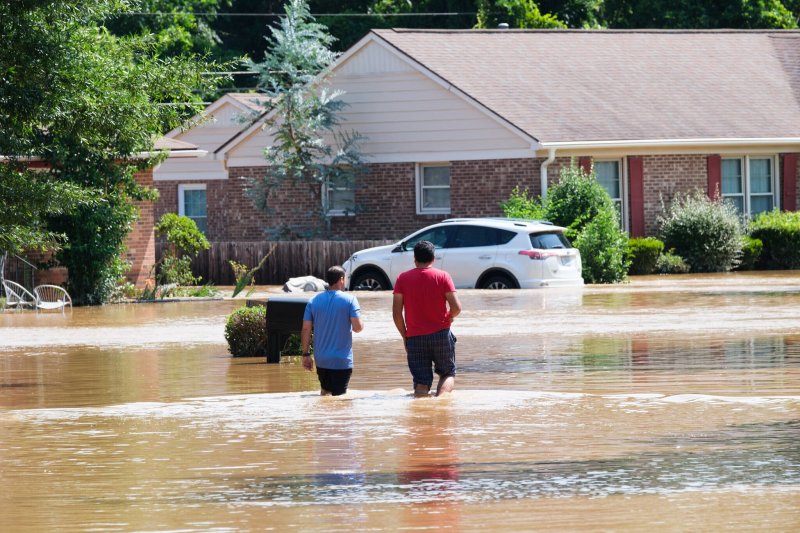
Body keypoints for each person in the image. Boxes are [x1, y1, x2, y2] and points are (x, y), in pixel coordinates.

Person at [392, 240, 462, 397]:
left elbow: (396, 313)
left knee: (421, 383)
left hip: (415, 338)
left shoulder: (402, 279)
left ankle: (422, 412)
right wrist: (449, 317)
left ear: (414, 258)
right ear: (433, 258)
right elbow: (457, 307)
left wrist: (405, 336)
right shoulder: (443, 276)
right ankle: (441, 405)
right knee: (447, 373)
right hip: (441, 335)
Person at [301, 266, 364, 396]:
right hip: (341, 360)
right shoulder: (350, 300)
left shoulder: (313, 301)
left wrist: (306, 355)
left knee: (325, 393)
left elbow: (306, 329)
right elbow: (358, 328)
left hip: (322, 359)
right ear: (341, 279)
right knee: (340, 401)